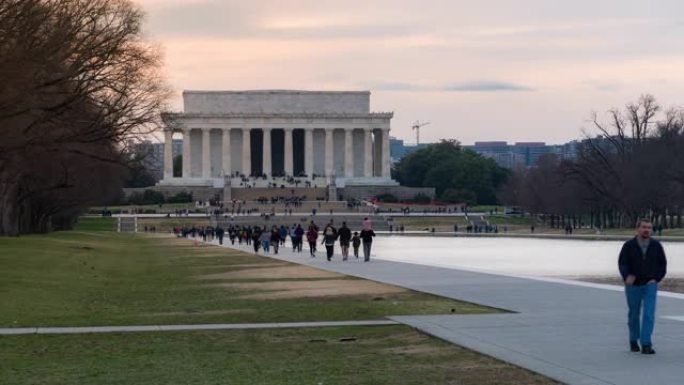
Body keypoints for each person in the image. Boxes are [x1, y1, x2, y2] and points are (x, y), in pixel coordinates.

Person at [618, 218, 667, 355]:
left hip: (650, 284)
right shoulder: (629, 245)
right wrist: (626, 276)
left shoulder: (656, 246)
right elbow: (622, 263)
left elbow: (662, 265)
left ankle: (646, 344)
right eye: (644, 227)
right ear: (637, 229)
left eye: (649, 227)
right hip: (633, 285)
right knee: (634, 314)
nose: (647, 230)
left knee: (649, 314)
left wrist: (656, 279)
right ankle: (633, 339)